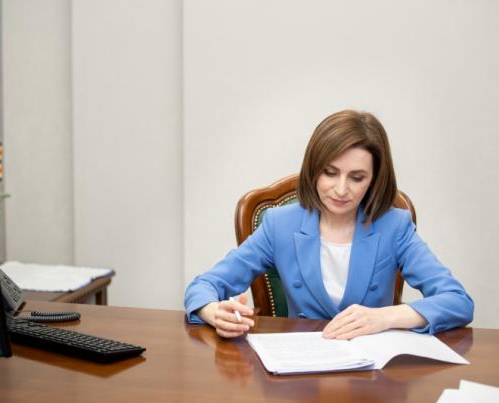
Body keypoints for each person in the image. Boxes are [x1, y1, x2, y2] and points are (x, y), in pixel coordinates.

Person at [184, 109, 474, 340]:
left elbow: (458, 301)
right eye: (330, 173)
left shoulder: (394, 226)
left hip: (373, 375)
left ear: (374, 180)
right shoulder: (279, 225)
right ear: (313, 170)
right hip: (299, 372)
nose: (341, 189)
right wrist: (214, 311)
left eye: (357, 177)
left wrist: (385, 317)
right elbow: (203, 286)